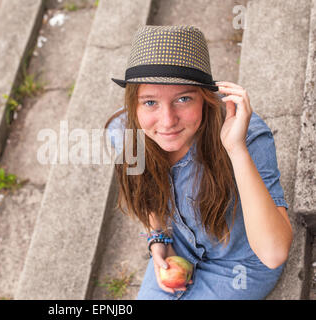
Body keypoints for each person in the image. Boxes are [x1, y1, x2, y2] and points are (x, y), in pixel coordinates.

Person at [104, 25, 293, 299]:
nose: (167, 121)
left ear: (206, 98)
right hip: (178, 249)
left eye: (183, 99)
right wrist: (158, 238)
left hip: (238, 267)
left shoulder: (249, 137)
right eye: (150, 102)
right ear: (133, 104)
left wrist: (236, 149)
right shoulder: (124, 132)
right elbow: (149, 191)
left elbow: (274, 253)